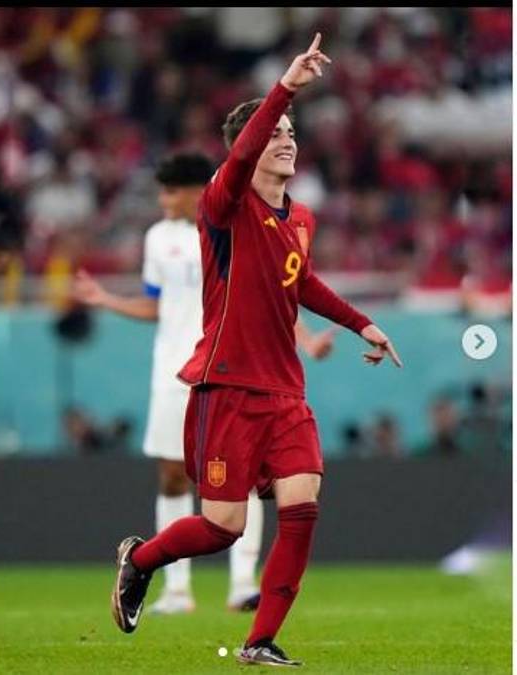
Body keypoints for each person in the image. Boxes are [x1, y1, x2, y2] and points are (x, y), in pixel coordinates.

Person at [111, 34, 402, 667]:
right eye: (276, 132)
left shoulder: (301, 219)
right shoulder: (224, 204)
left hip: (285, 391)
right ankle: (141, 560)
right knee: (224, 526)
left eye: (292, 132)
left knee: (303, 505)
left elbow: (303, 283)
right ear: (252, 144)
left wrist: (362, 324)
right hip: (228, 386)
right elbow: (241, 154)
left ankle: (259, 640)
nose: (287, 140)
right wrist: (286, 88)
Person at [74, 152, 335, 615]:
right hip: (173, 370)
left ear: (199, 190)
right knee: (171, 475)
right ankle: (176, 590)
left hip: (233, 371)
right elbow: (155, 304)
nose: (163, 199)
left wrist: (308, 340)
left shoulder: (232, 223)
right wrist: (106, 299)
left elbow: (270, 296)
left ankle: (241, 585)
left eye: (171, 190)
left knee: (248, 478)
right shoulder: (157, 238)